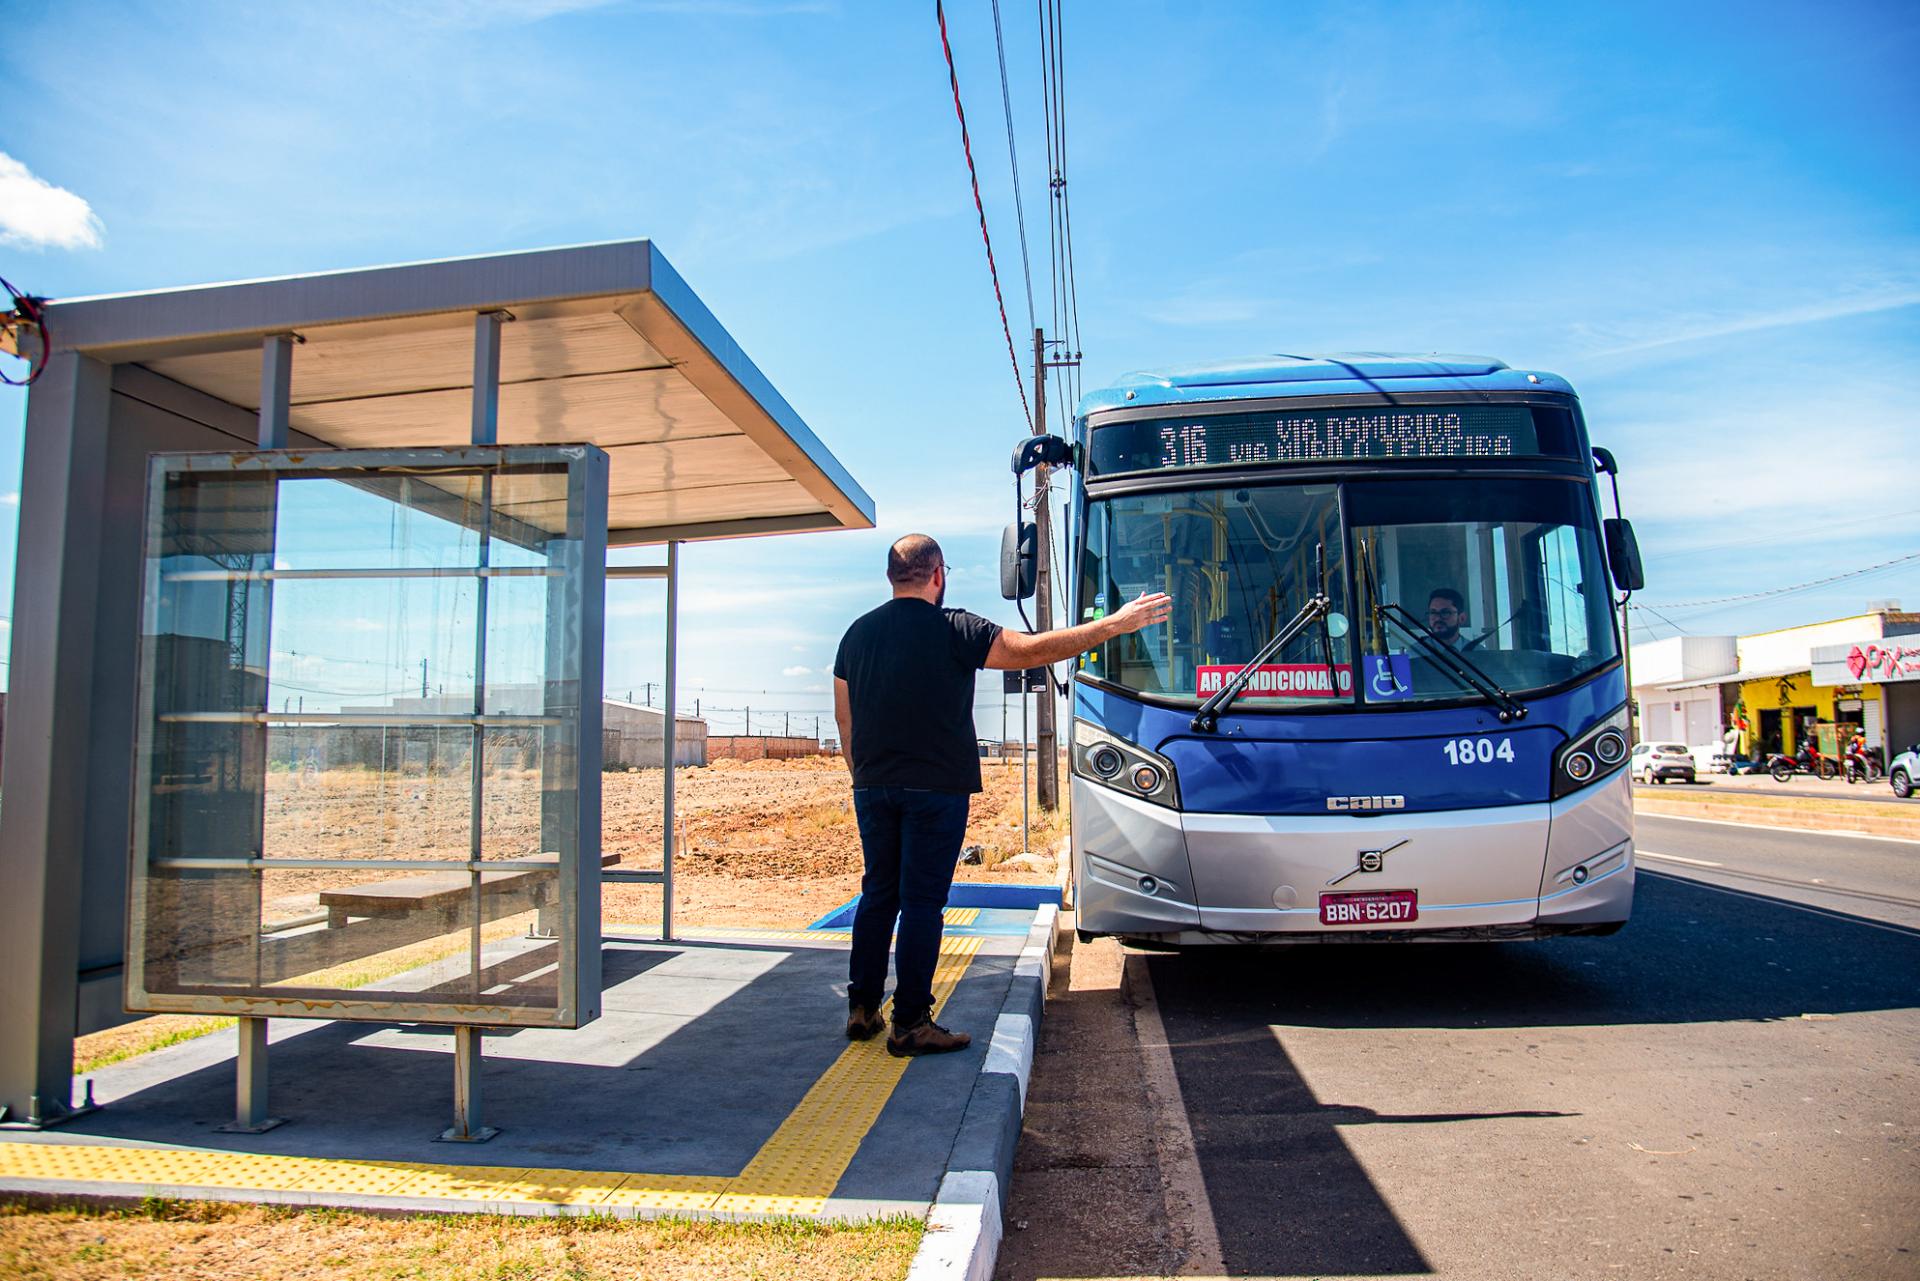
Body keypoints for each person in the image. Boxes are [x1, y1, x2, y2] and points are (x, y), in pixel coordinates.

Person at [832, 533, 1172, 1057]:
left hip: (874, 788)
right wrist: (1113, 625)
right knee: (922, 902)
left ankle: (861, 1008)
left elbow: (844, 717)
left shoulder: (855, 635)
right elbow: (1034, 650)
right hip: (936, 791)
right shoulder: (956, 628)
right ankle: (911, 1023)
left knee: (879, 895)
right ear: (938, 575)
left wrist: (863, 775)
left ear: (890, 576)